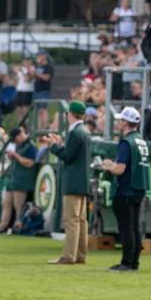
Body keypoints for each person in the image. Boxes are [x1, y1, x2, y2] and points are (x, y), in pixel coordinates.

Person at [101, 107, 149, 272]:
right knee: (134, 227)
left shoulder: (126, 142)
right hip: (139, 189)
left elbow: (120, 169)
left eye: (121, 120)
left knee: (126, 228)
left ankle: (127, 263)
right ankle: (133, 262)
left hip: (126, 189)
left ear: (125, 122)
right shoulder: (141, 141)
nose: (119, 122)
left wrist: (109, 166)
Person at [44, 100, 92, 265]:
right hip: (83, 181)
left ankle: (69, 255)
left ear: (70, 114)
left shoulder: (74, 132)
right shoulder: (85, 131)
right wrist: (61, 145)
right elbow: (74, 153)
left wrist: (54, 146)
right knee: (81, 220)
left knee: (71, 220)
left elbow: (67, 156)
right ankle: (80, 255)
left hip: (72, 181)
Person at [0, 126, 37, 233]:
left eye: (15, 139)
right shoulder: (19, 146)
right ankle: (2, 227)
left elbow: (30, 163)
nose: (15, 141)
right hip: (13, 181)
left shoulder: (30, 146)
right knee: (6, 203)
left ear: (20, 136)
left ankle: (19, 228)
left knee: (19, 207)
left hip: (22, 182)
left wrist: (16, 156)